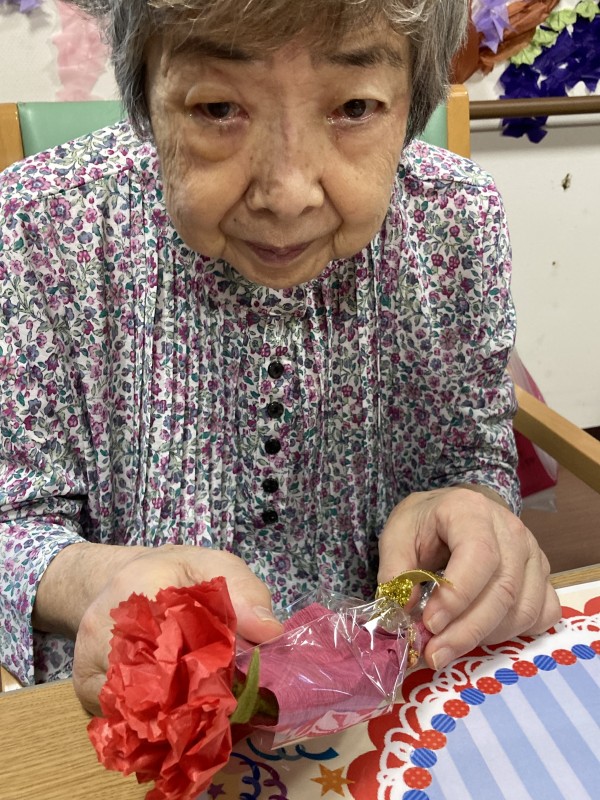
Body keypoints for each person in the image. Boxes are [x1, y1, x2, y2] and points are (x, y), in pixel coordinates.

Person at [0, 0, 560, 716]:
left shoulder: (455, 219)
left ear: (410, 104)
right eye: (217, 109)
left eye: (354, 107)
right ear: (146, 99)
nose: (288, 194)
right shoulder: (41, 224)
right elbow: (13, 523)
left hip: (395, 694)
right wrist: (96, 578)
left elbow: (474, 460)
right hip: (145, 714)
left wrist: (467, 508)